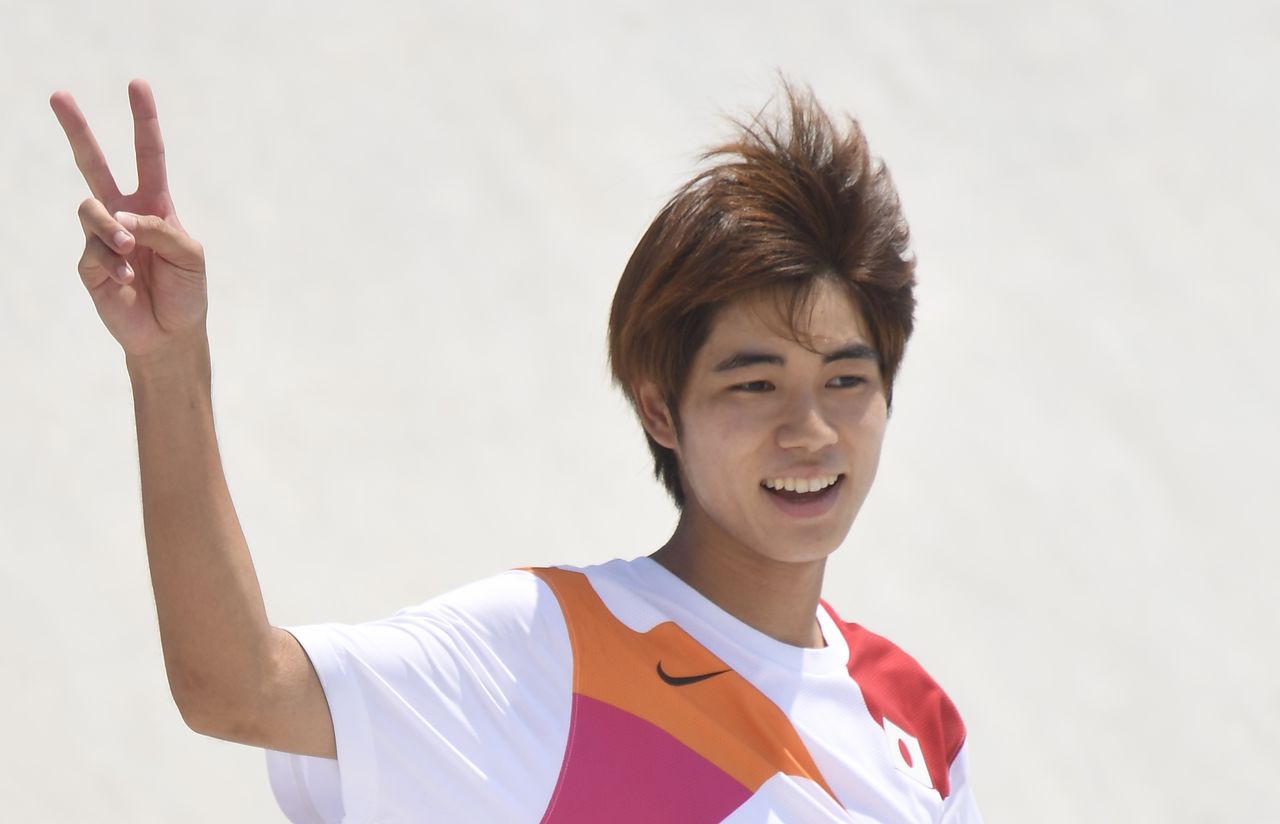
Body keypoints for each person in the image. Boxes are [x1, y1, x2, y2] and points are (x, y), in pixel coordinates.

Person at [51, 78, 983, 823]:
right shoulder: (557, 650)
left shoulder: (918, 722)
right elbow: (237, 687)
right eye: (755, 381)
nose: (809, 428)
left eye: (846, 379)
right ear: (661, 408)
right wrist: (170, 366)